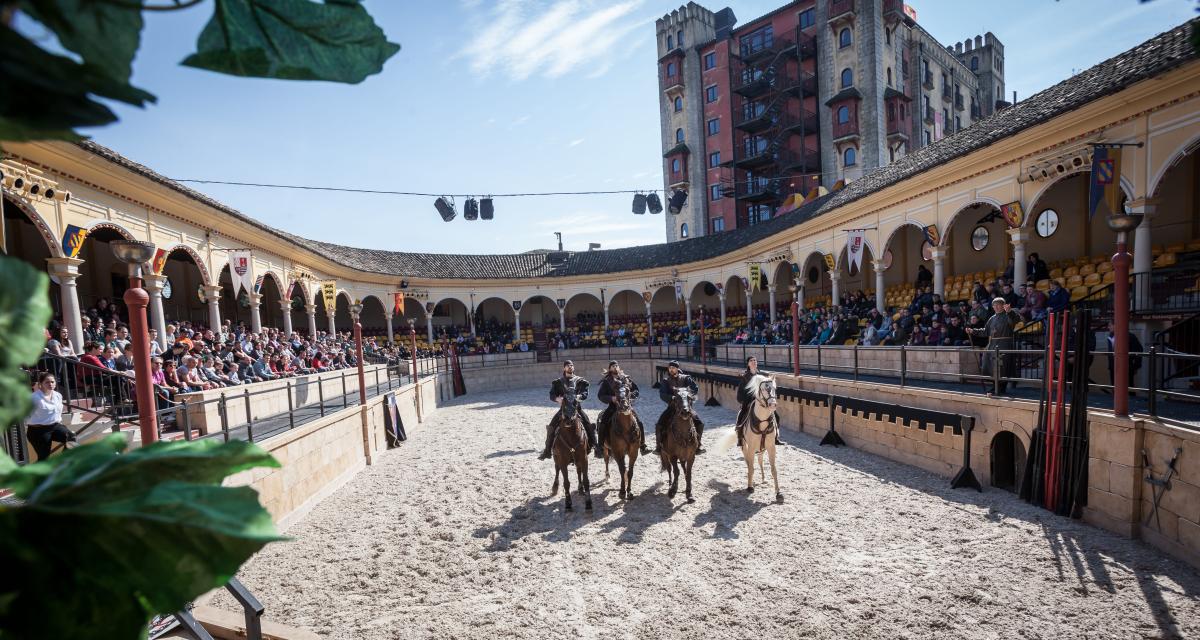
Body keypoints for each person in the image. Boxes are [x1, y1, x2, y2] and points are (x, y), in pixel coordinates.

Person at [538, 360, 596, 460]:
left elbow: (585, 393)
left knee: (588, 424)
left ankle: (596, 446)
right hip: (563, 410)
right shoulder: (558, 382)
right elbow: (552, 395)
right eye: (568, 365)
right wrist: (557, 399)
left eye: (572, 365)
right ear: (564, 368)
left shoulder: (580, 381)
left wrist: (580, 396)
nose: (570, 367)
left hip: (577, 409)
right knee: (552, 426)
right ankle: (547, 450)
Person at [594, 360, 650, 459]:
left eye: (616, 365)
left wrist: (629, 397)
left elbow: (636, 390)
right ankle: (600, 447)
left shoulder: (626, 378)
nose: (615, 367)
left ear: (619, 367)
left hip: (627, 405)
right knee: (603, 422)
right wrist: (612, 398)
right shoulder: (607, 381)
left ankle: (642, 446)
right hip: (613, 407)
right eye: (612, 366)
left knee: (639, 422)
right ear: (610, 369)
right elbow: (601, 395)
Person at [968, 297, 1023, 395]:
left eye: (998, 304)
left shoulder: (1008, 315)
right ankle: (995, 386)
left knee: (1002, 367)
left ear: (1003, 305)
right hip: (992, 344)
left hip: (1004, 344)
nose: (996, 307)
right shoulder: (992, 318)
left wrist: (1010, 312)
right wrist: (973, 331)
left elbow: (1016, 320)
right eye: (994, 305)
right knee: (988, 365)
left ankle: (1001, 388)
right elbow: (985, 331)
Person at [654, 360, 704, 454]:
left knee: (699, 423)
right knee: (659, 424)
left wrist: (687, 395)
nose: (671, 370)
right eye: (670, 368)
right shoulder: (666, 381)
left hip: (686, 407)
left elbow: (695, 388)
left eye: (673, 368)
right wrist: (672, 397)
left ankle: (698, 445)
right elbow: (662, 394)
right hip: (672, 407)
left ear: (677, 368)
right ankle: (658, 447)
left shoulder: (686, 378)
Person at [25, 372, 76, 460]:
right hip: (38, 430)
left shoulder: (58, 395)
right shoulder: (34, 398)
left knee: (71, 438)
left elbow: (57, 412)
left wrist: (61, 426)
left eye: (52, 382)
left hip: (55, 426)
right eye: (47, 382)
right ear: (41, 384)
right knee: (44, 458)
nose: (50, 384)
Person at [734, 356, 780, 448]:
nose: (754, 362)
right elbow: (740, 393)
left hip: (763, 400)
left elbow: (769, 387)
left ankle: (775, 437)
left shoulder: (763, 375)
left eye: (755, 360)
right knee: (742, 414)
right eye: (751, 361)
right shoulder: (745, 377)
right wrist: (745, 400)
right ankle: (740, 437)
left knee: (776, 415)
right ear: (748, 364)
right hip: (749, 400)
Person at [1106, 322, 1144, 389]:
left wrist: (1136, 366)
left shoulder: (1130, 336)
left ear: (1116, 325)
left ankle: (1131, 399)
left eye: (1110, 325)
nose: (1108, 327)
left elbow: (1139, 350)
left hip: (1126, 366)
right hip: (1113, 367)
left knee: (1128, 387)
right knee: (1115, 387)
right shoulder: (1110, 337)